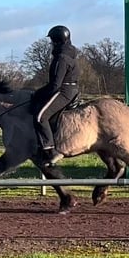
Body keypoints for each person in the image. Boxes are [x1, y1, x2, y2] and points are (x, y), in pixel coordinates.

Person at [33, 25, 80, 166]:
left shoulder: (62, 58)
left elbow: (55, 85)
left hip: (64, 91)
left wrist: (38, 94)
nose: (51, 44)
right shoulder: (70, 54)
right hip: (72, 89)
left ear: (57, 41)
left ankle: (50, 150)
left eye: (52, 41)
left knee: (41, 117)